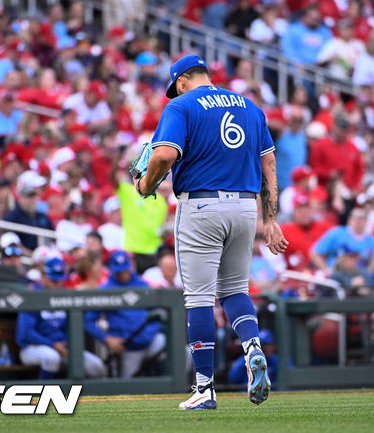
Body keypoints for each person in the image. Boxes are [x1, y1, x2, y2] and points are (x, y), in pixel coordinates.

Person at [135, 55, 287, 409]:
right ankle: (252, 346)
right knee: (234, 290)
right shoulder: (250, 106)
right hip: (246, 208)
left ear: (185, 79)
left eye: (178, 85)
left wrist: (145, 184)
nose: (176, 91)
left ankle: (205, 388)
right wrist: (271, 218)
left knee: (199, 298)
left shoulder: (181, 106)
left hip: (201, 205)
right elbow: (269, 164)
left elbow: (164, 155)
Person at [16, 265, 107, 379]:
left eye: (60, 281)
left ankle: (91, 396)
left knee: (96, 366)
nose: (57, 285)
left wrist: (67, 343)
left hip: (61, 348)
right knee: (51, 358)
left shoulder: (64, 296)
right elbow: (27, 334)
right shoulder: (33, 296)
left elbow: (70, 328)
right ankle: (45, 395)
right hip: (32, 348)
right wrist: (52, 344)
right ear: (44, 277)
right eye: (54, 281)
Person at [84, 251, 166, 378]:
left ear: (130, 266)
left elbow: (157, 314)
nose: (122, 274)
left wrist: (148, 334)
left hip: (149, 341)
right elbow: (88, 321)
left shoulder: (143, 285)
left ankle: (174, 389)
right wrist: (107, 339)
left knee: (168, 345)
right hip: (125, 346)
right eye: (118, 271)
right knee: (127, 383)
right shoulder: (105, 289)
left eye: (125, 270)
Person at [310, 207, 374, 273]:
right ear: (349, 220)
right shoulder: (337, 233)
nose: (358, 221)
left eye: (362, 218)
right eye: (355, 218)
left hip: (360, 279)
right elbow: (315, 252)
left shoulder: (373, 242)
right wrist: (326, 270)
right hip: (336, 275)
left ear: (366, 221)